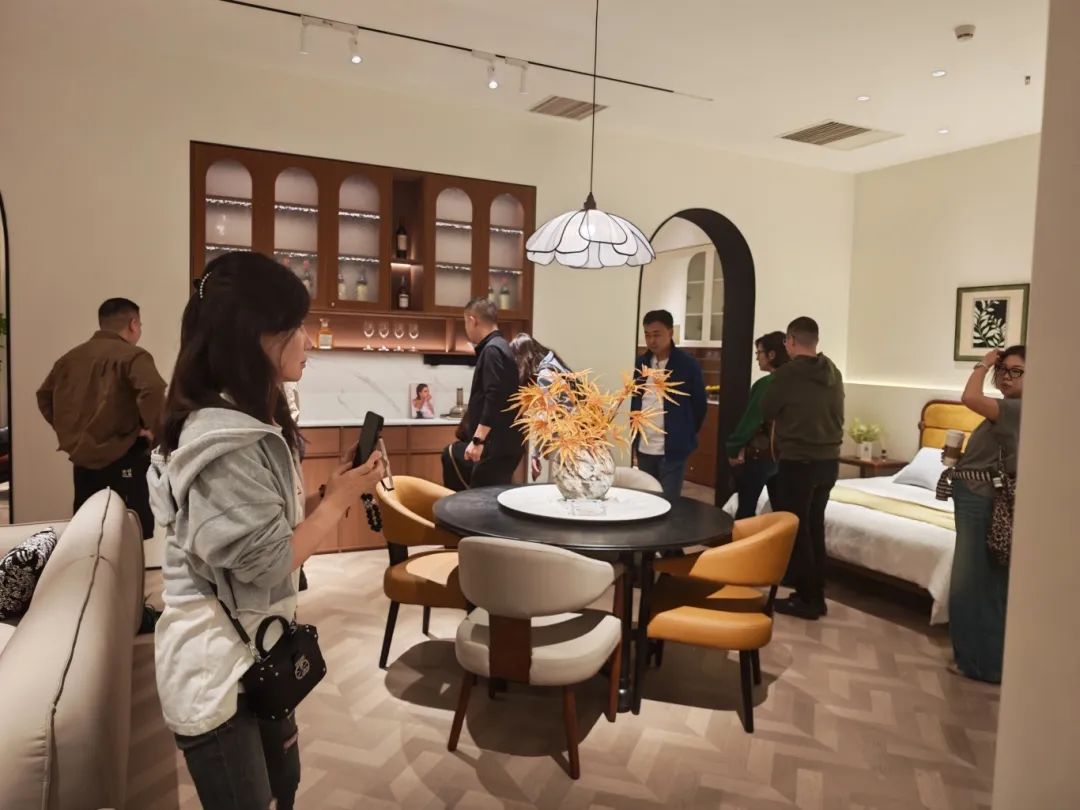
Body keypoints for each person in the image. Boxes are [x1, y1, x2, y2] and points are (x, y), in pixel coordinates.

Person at [148, 252, 384, 809]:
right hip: (216, 671)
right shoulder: (223, 442)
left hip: (254, 652)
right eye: (296, 326)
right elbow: (267, 561)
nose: (308, 340)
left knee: (284, 785)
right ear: (255, 337)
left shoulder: (240, 421)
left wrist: (333, 491)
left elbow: (268, 529)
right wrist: (339, 501)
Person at [37, 297, 166, 539]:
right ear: (133, 324)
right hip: (126, 452)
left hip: (83, 458)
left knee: (88, 528)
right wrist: (155, 433)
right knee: (130, 528)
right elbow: (153, 389)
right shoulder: (133, 356)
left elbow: (44, 396)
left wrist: (70, 431)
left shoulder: (70, 359)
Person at [945, 345, 1025, 683]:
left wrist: (984, 363)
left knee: (972, 584)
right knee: (980, 582)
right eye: (1003, 370)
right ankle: (979, 658)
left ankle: (982, 663)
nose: (1006, 377)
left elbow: (970, 397)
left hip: (981, 500)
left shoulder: (1018, 408)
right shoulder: (1008, 409)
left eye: (1016, 371)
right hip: (976, 496)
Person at [762, 316, 844, 620]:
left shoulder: (787, 374)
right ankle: (815, 593)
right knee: (814, 526)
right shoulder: (833, 370)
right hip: (829, 461)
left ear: (791, 341)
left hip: (799, 459)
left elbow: (767, 409)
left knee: (797, 530)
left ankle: (809, 599)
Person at [441, 298, 525, 490]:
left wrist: (478, 440)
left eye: (465, 322)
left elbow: (495, 397)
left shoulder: (492, 350)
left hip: (494, 447)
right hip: (505, 445)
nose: (466, 328)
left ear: (473, 320)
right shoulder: (502, 347)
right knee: (490, 498)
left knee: (481, 501)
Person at [631, 310, 707, 499]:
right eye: (647, 335)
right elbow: (633, 401)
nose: (652, 341)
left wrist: (685, 431)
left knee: (669, 501)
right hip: (644, 446)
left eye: (657, 334)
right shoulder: (640, 364)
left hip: (673, 447)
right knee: (646, 499)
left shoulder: (687, 365)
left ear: (670, 333)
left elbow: (699, 406)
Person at [727, 331, 790, 519]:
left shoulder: (766, 384)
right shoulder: (795, 382)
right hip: (785, 454)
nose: (757, 358)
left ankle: (744, 539)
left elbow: (751, 421)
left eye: (759, 352)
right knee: (781, 510)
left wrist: (733, 448)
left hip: (761, 454)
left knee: (746, 509)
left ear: (772, 354)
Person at [508, 332, 572, 480]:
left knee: (560, 485)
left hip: (564, 442)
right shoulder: (556, 365)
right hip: (577, 437)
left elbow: (546, 417)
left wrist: (535, 454)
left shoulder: (545, 375)